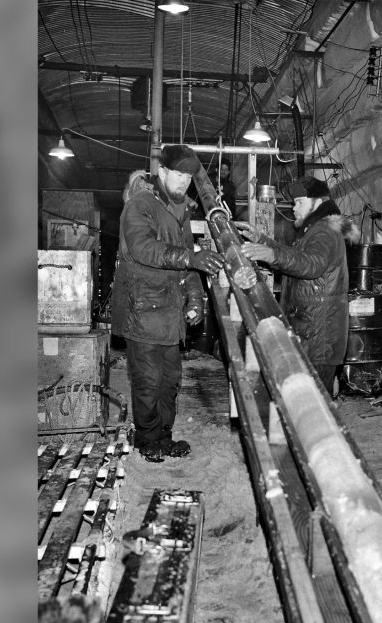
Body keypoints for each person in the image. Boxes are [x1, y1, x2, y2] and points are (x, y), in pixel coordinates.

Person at [111, 146, 225, 462]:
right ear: (162, 172)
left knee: (170, 381)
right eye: (178, 174)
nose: (184, 181)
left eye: (188, 177)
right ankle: (148, 441)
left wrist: (195, 299)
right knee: (148, 381)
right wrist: (191, 257)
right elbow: (143, 248)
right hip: (143, 310)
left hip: (170, 313)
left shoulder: (180, 212)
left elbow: (190, 264)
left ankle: (164, 436)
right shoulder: (140, 205)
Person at [238, 177, 359, 397]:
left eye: (299, 202)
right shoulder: (316, 229)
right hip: (311, 332)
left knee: (312, 405)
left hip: (318, 337)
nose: (294, 208)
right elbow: (297, 256)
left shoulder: (324, 232)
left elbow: (310, 265)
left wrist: (272, 255)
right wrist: (262, 239)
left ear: (319, 203)